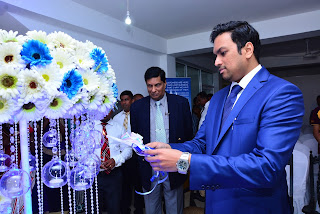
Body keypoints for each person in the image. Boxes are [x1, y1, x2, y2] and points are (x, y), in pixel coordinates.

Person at [144, 21, 304, 214]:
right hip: (215, 204)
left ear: (247, 49)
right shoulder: (219, 97)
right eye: (215, 55)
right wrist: (170, 148)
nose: (216, 62)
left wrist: (185, 160)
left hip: (253, 206)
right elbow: (202, 143)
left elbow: (266, 167)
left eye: (223, 52)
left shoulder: (280, 93)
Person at [130, 66, 193, 214]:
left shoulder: (181, 104)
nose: (153, 90)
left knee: (174, 206)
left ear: (165, 83)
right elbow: (135, 137)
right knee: (151, 208)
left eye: (157, 85)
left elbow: (189, 136)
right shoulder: (137, 107)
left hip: (173, 163)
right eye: (149, 86)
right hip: (149, 165)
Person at [95, 110, 132, 214]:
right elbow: (78, 150)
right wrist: (94, 161)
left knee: (114, 208)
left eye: (107, 108)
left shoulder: (119, 128)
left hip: (114, 175)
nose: (104, 112)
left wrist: (115, 160)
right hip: (93, 174)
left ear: (112, 109)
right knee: (93, 208)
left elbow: (128, 150)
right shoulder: (87, 127)